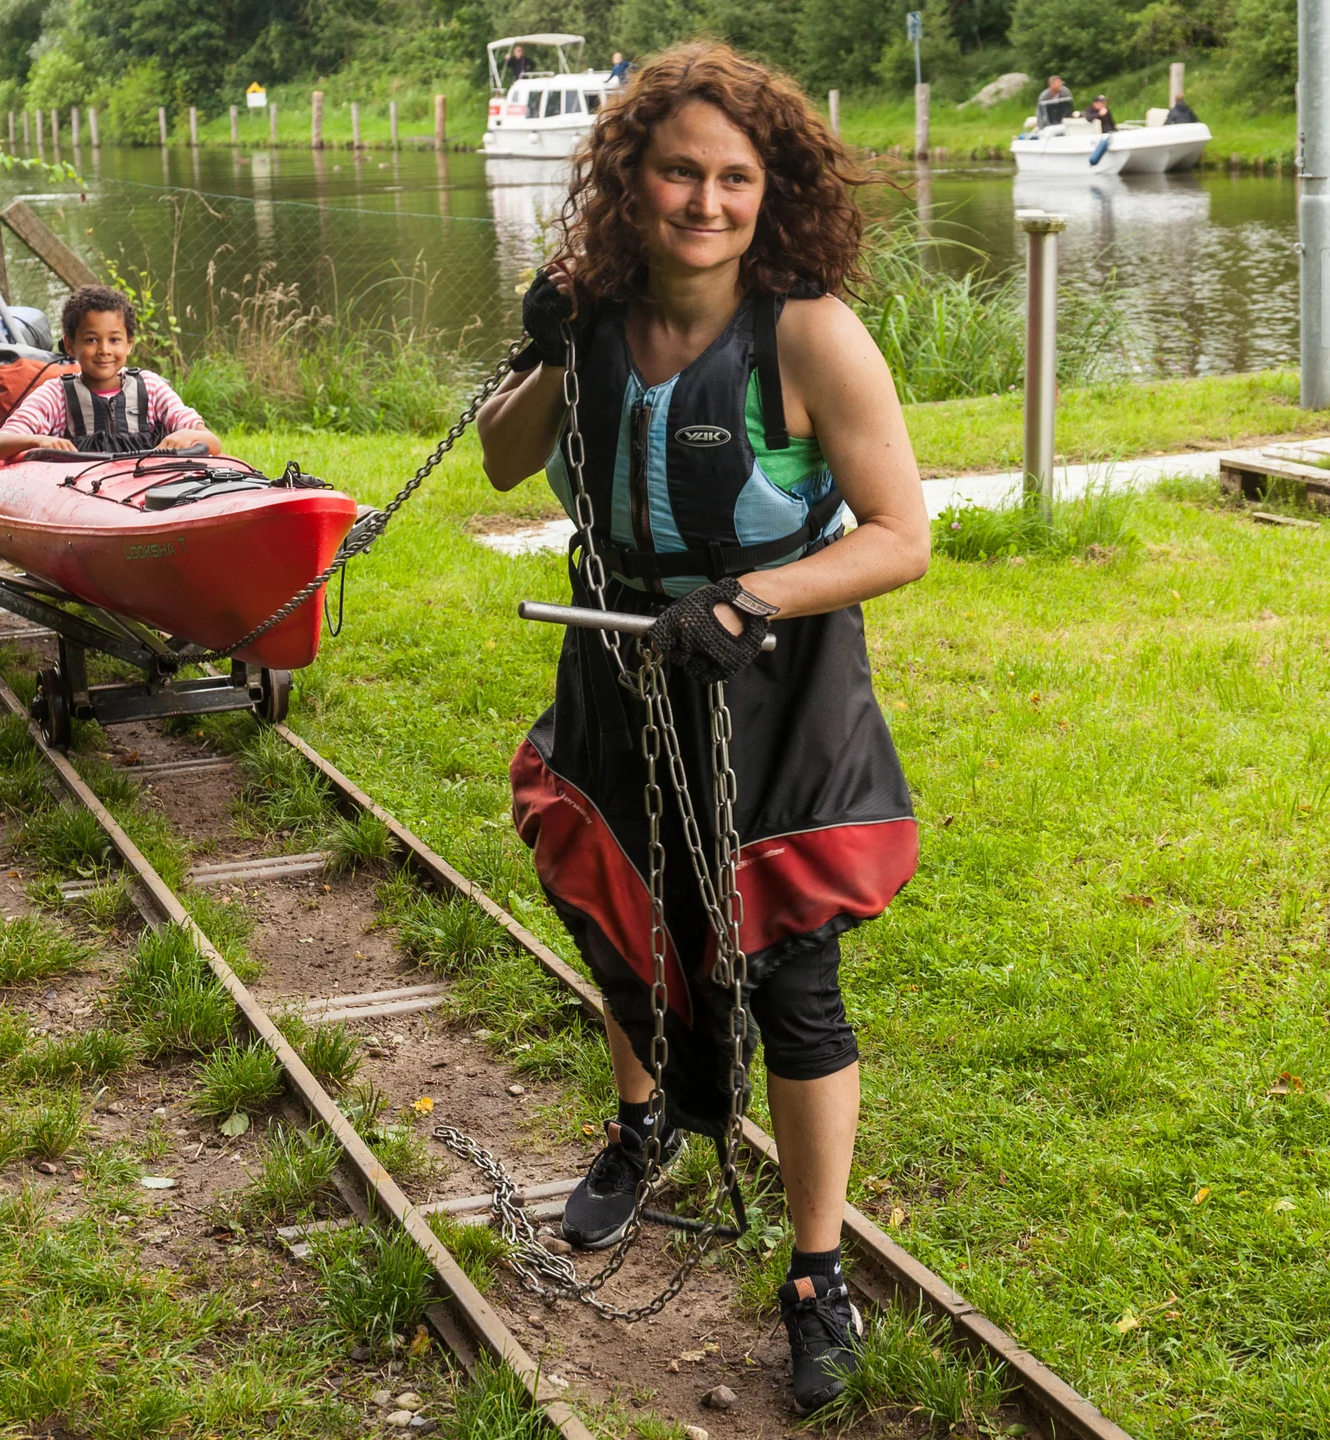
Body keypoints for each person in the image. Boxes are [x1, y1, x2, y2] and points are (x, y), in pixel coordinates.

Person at [475, 41, 927, 1417]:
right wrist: (549, 354)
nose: (707, 200)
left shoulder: (808, 332)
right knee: (621, 915)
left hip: (774, 688)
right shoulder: (593, 312)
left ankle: (815, 1271)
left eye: (736, 177)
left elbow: (904, 536)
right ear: (633, 176)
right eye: (681, 170)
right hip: (616, 664)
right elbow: (500, 455)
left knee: (792, 981)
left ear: (768, 188)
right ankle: (641, 1126)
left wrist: (758, 594)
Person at [0, 284, 220, 458]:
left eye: (114, 339)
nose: (104, 350)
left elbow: (213, 442)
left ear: (129, 343)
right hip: (82, 498)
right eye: (91, 340)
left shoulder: (151, 388)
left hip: (146, 491)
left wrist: (188, 435)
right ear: (70, 345)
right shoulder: (55, 395)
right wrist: (39, 440)